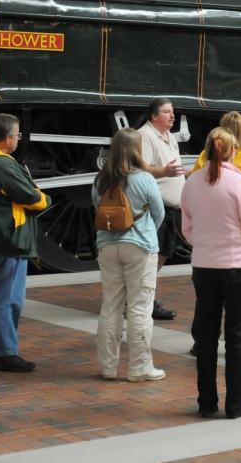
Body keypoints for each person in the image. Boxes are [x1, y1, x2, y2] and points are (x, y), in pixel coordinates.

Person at [182, 128, 241, 419]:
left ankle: (206, 402)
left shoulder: (192, 182)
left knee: (205, 335)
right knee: (236, 337)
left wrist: (206, 244)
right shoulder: (238, 183)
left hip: (204, 266)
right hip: (238, 268)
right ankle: (235, 404)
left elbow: (187, 228)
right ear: (233, 151)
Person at [0, 113, 49, 373]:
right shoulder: (2, 165)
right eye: (16, 136)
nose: (18, 140)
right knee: (9, 297)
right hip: (10, 237)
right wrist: (44, 199)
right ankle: (5, 352)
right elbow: (30, 197)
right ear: (6, 139)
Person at [92, 128, 167, 382]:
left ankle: (108, 367)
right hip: (139, 246)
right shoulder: (143, 178)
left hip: (107, 245)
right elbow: (159, 213)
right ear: (137, 149)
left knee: (110, 306)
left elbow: (97, 208)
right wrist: (145, 231)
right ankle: (139, 367)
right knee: (139, 307)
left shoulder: (101, 179)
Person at [138, 97, 185, 320]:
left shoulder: (168, 136)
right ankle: (142, 300)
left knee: (163, 252)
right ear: (154, 116)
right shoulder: (145, 136)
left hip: (170, 208)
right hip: (156, 208)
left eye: (172, 111)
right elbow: (142, 168)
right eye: (167, 112)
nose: (172, 115)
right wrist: (165, 173)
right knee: (151, 255)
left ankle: (145, 297)